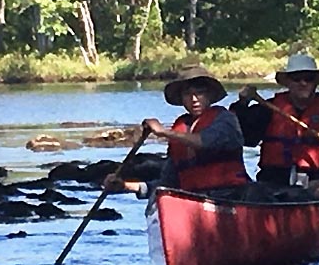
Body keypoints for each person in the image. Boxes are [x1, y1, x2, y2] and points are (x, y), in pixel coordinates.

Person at [231, 53, 319, 199]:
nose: (303, 83)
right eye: (296, 78)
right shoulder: (268, 110)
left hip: (315, 183)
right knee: (250, 192)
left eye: (308, 79)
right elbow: (243, 136)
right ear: (288, 83)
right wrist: (242, 104)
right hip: (273, 184)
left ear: (315, 83)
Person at [105, 69, 250, 198]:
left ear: (210, 95)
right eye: (187, 94)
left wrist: (164, 132)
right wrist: (125, 186)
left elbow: (204, 141)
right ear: (181, 98)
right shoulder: (181, 127)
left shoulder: (225, 119)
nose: (194, 99)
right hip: (191, 200)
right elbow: (166, 185)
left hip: (230, 195)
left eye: (199, 93)